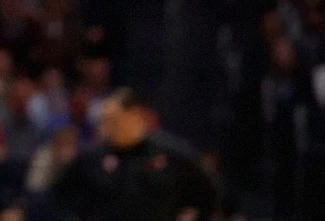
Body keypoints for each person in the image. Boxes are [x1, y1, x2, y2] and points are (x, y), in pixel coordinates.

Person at [51, 88, 219, 221]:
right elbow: (59, 196)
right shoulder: (93, 158)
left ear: (134, 115)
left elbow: (209, 194)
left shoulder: (172, 153)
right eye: (104, 120)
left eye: (113, 120)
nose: (106, 127)